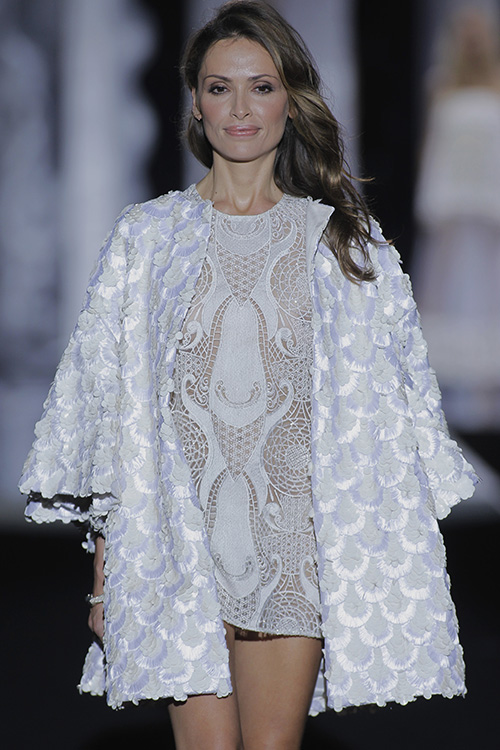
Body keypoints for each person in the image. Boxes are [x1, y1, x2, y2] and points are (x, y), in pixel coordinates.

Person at [19, 2, 477, 749]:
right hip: (177, 547)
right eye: (218, 87)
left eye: (260, 87)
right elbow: (115, 419)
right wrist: (106, 577)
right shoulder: (147, 240)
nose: (239, 108)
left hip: (290, 547)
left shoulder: (341, 247)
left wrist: (377, 563)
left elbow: (387, 423)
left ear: (290, 100)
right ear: (195, 102)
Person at [413, 5, 500, 429]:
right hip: (451, 213)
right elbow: (433, 151)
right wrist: (431, 206)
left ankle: (488, 396)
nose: (473, 39)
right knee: (450, 295)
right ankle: (450, 404)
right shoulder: (441, 84)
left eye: (478, 31)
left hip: (491, 214)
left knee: (488, 293)